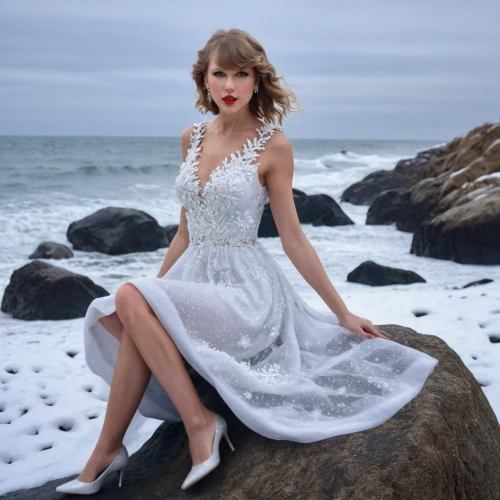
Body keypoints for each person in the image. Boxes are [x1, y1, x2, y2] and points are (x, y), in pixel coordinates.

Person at [56, 28, 439, 495]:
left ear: (258, 80)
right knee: (128, 305)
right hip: (195, 275)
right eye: (221, 73)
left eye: (242, 73)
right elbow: (184, 230)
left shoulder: (273, 145)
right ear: (205, 80)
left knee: (131, 300)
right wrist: (151, 301)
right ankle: (109, 449)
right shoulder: (191, 137)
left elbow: (293, 238)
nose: (230, 85)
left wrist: (341, 312)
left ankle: (194, 425)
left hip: (246, 290)